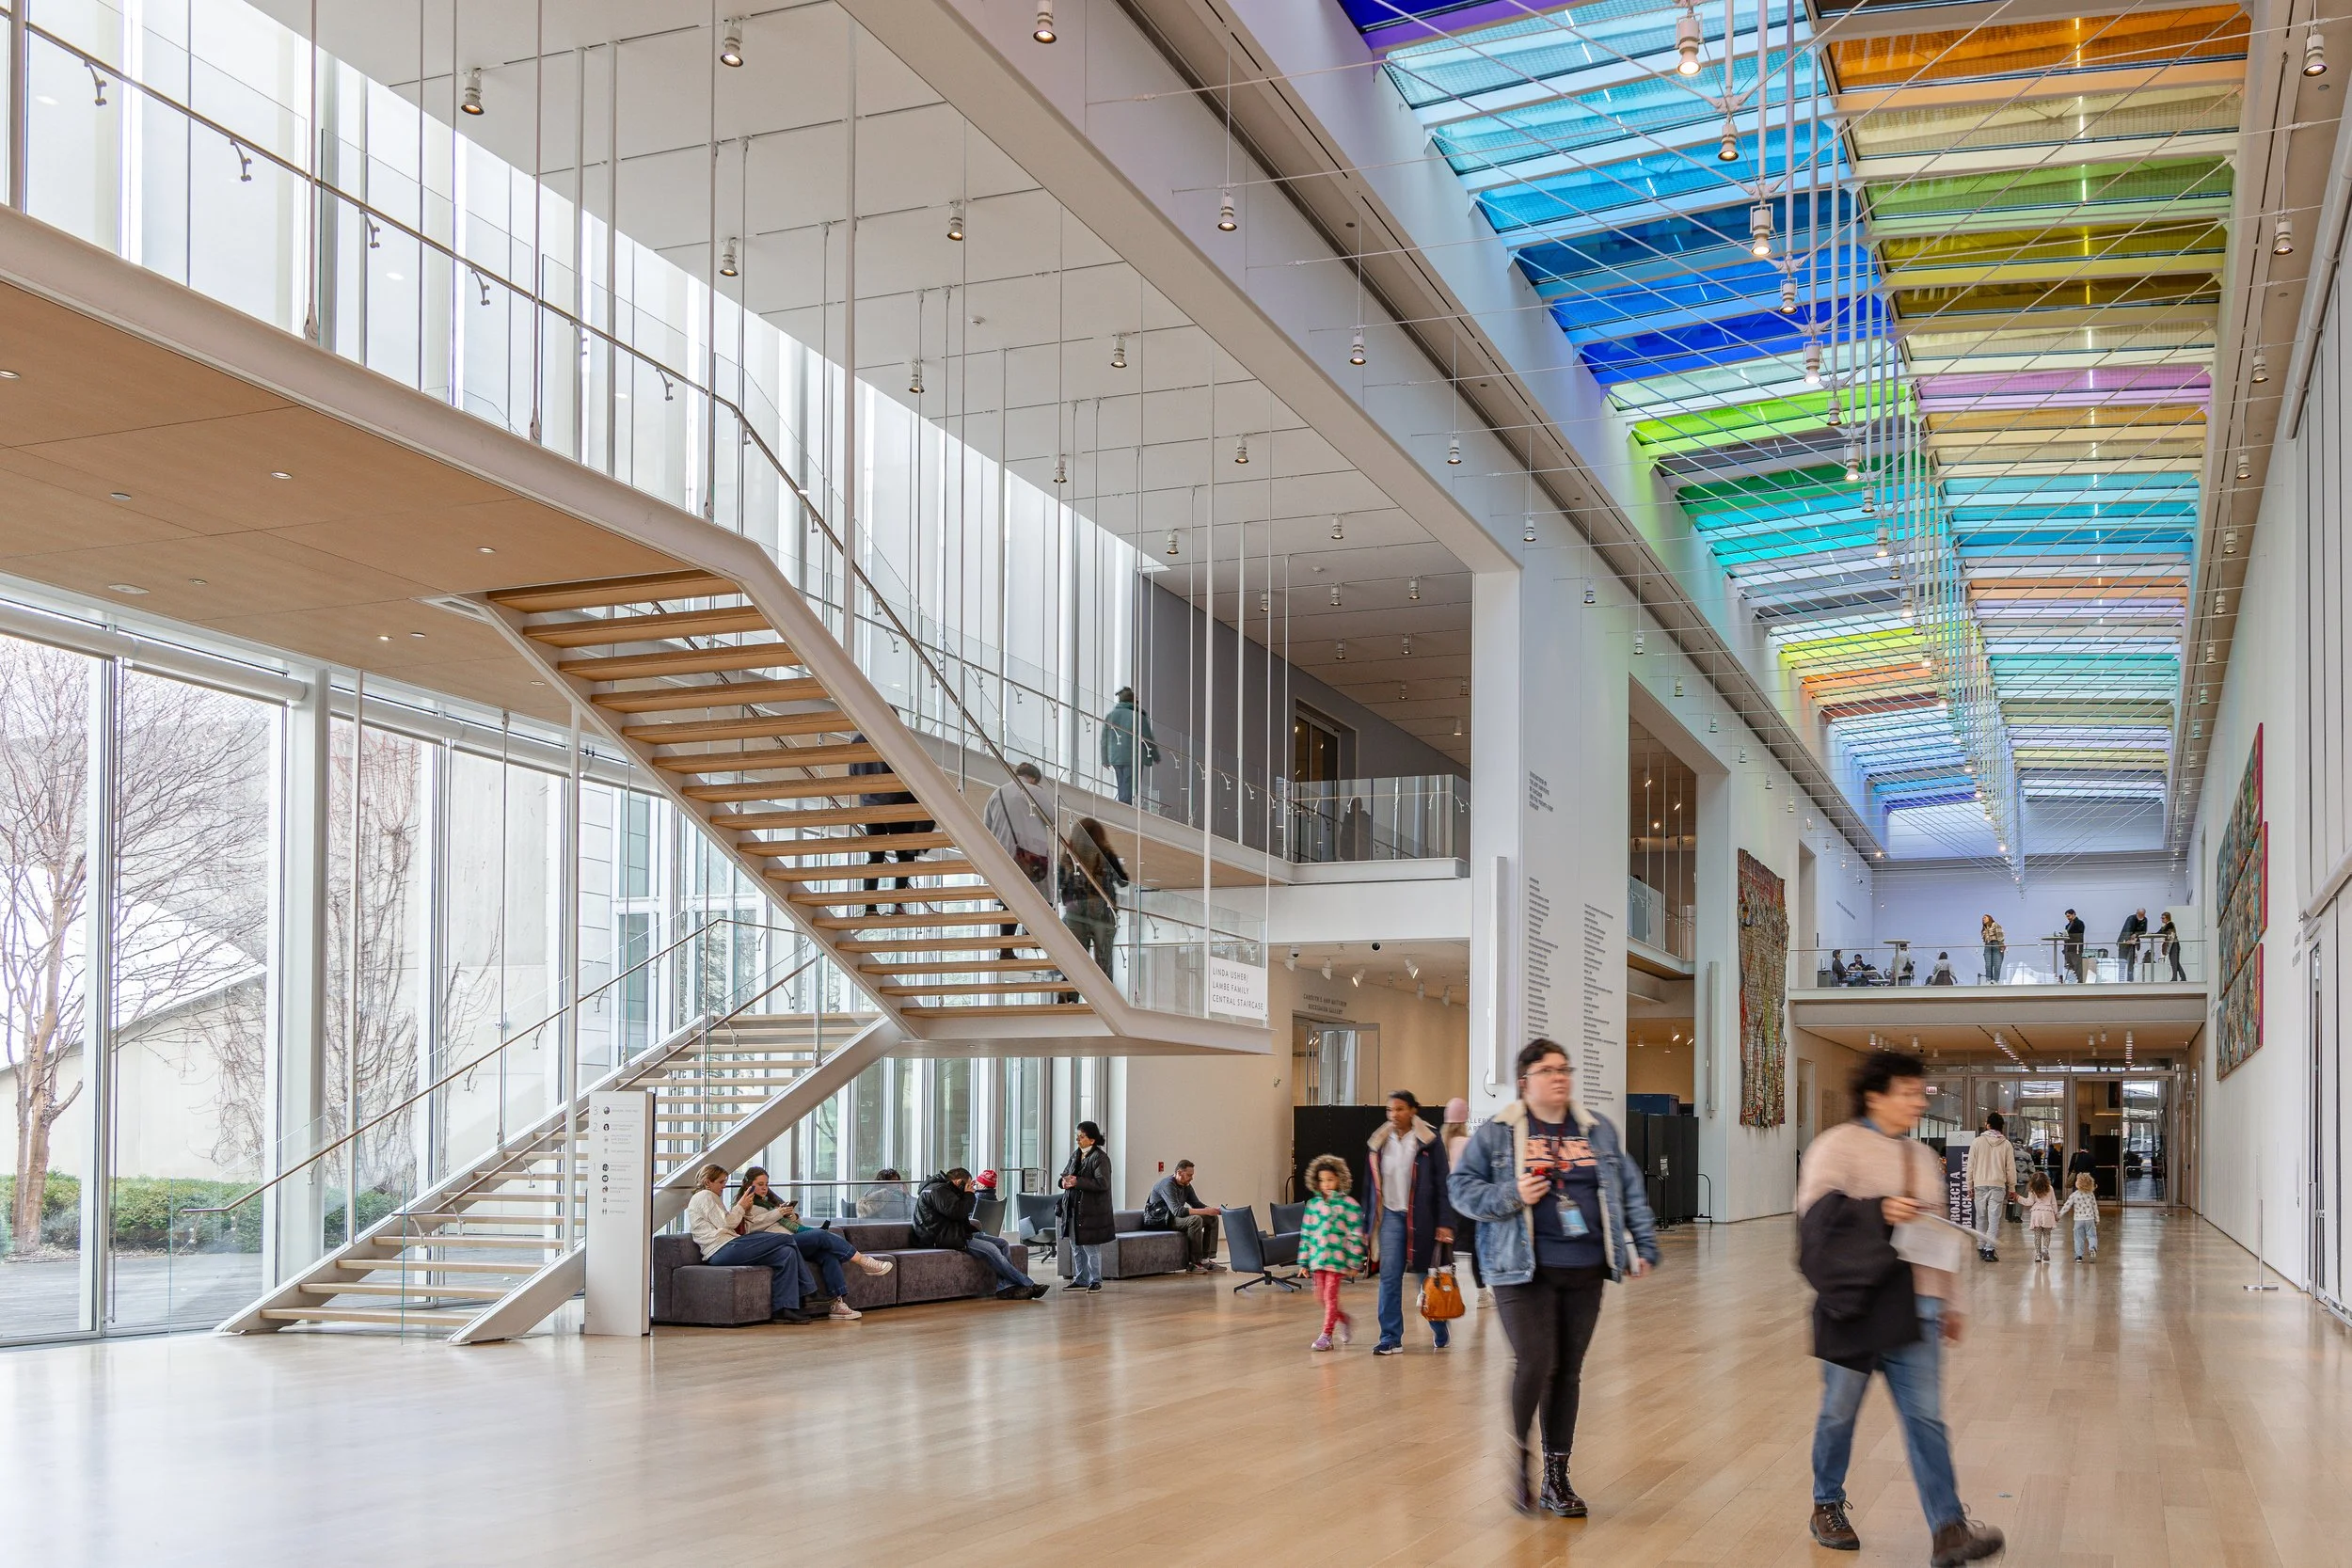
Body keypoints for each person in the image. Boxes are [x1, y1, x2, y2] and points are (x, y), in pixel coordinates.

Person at [1796, 1050, 2004, 1564]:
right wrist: (1879, 1211)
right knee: (1839, 1412)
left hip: (1917, 1309)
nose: (1918, 1101)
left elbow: (1935, 1235)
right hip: (1857, 1307)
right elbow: (1815, 1227)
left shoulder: (1918, 1157)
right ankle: (1827, 1503)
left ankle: (1949, 1528)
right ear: (1875, 1095)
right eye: (1908, 1092)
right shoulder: (1835, 1147)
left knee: (1926, 1418)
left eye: (1919, 1092)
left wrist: (1948, 1301)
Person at [1449, 1038, 1661, 1519]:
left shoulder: (1597, 1130)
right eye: (1548, 1070)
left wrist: (1643, 1245)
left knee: (1567, 1370)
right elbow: (1461, 1190)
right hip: (1522, 1271)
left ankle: (1556, 1476)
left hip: (1585, 1269)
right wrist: (1512, 1192)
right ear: (1525, 1082)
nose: (1560, 1077)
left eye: (1564, 1069)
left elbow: (1628, 1189)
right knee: (1536, 1360)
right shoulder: (1498, 1134)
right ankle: (1519, 1456)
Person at [1366, 1089, 1457, 1354]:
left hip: (1423, 1217)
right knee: (1389, 1277)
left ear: (1413, 1110)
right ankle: (1390, 1337)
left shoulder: (1429, 1140)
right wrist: (1368, 1222)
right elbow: (1369, 1186)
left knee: (1425, 1278)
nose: (1394, 1115)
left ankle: (1440, 1327)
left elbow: (1443, 1184)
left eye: (1400, 1109)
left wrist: (1445, 1223)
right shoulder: (1379, 1142)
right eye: (1390, 1110)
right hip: (1392, 1216)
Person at [738, 1167, 895, 1321]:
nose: (764, 1188)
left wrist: (792, 1216)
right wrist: (778, 1213)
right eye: (760, 1184)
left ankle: (837, 1303)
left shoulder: (770, 1203)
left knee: (828, 1255)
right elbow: (751, 1227)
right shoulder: (745, 1205)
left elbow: (793, 1225)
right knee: (821, 1235)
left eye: (766, 1184)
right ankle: (864, 1261)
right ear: (748, 1185)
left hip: (792, 1240)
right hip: (777, 1244)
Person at [684, 1163, 813, 1323]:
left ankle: (783, 1308)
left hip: (730, 1246)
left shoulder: (711, 1198)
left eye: (725, 1181)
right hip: (722, 1248)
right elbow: (727, 1223)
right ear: (707, 1182)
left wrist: (746, 1208)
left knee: (786, 1253)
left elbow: (733, 1222)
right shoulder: (705, 1196)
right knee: (787, 1239)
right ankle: (810, 1290)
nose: (724, 1186)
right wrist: (740, 1206)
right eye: (721, 1182)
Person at [913, 1167, 1049, 1300]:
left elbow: (957, 1214)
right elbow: (958, 1212)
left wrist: (966, 1195)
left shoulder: (943, 1189)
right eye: (969, 1184)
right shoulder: (938, 1190)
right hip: (941, 1238)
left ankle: (1004, 1288)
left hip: (953, 1233)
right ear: (958, 1182)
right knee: (993, 1250)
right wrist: (969, 1194)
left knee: (1002, 1244)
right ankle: (1028, 1284)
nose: (972, 1187)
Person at [850, 738, 934, 913]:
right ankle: (898, 904)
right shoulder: (893, 739)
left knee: (875, 858)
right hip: (897, 806)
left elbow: (853, 776)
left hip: (870, 807)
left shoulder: (857, 742)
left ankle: (870, 907)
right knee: (904, 855)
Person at [984, 761, 1054, 959]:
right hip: (1032, 852)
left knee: (1010, 900)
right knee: (1040, 895)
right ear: (1033, 778)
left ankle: (1006, 949)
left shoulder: (996, 793)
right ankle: (1033, 935)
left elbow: (986, 826)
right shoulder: (1034, 791)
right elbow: (1052, 818)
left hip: (1003, 855)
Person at [1300, 1153, 1367, 1352]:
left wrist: (1355, 1262)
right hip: (1317, 1260)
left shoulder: (1349, 1205)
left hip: (1338, 1261)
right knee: (1320, 1298)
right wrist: (1304, 1262)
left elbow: (1356, 1236)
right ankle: (1344, 1319)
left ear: (1339, 1179)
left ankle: (1326, 1336)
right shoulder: (1313, 1206)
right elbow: (1306, 1234)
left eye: (1330, 1180)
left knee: (1330, 1297)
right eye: (1322, 1180)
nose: (1326, 1184)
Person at [1060, 817, 1129, 981]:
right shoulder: (1106, 854)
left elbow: (1061, 884)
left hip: (1076, 914)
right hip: (1103, 915)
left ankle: (1068, 1001)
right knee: (1104, 964)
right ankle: (1104, 1004)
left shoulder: (1069, 856)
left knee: (1075, 962)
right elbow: (1123, 881)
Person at [1057, 1120, 1115, 1290]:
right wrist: (1063, 1183)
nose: (1078, 1140)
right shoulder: (1076, 1154)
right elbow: (1065, 1176)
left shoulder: (1100, 1158)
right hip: (1074, 1207)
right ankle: (1081, 1277)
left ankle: (1095, 1280)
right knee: (1075, 1245)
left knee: (1091, 1247)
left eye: (1081, 1137)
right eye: (1077, 1136)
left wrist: (1078, 1182)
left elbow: (1102, 1183)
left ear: (1092, 1140)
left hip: (1091, 1210)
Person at [1142, 1160, 1222, 1272]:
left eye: (1192, 1175)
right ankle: (1193, 1262)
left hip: (1173, 1218)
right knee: (1195, 1220)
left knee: (1212, 1218)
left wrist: (1213, 1210)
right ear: (1179, 1173)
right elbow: (1177, 1211)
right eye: (1189, 1175)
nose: (1192, 1178)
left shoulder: (1186, 1185)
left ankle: (1206, 1259)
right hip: (1162, 1220)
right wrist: (1205, 1211)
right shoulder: (1167, 1184)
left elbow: (1196, 1204)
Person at [1441, 1097, 1485, 1297]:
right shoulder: (1469, 1143)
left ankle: (1436, 1291)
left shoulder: (1439, 1145)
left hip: (1445, 1203)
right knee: (1476, 1247)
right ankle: (1482, 1292)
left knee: (1442, 1250)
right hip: (1467, 1203)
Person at [1965, 1113, 2017, 1262]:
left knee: (1980, 1217)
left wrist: (1970, 1185)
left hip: (1980, 1184)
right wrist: (2012, 1187)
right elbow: (2010, 1168)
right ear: (2001, 1126)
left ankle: (1981, 1247)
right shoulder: (2006, 1144)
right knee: (1994, 1220)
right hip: (1998, 1185)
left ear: (1988, 1125)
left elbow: (1970, 1167)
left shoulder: (1977, 1142)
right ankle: (1989, 1250)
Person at [1100, 686, 1157, 805]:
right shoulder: (1137, 716)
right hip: (1132, 756)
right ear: (1132, 701)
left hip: (1115, 756)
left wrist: (1105, 758)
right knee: (1129, 784)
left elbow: (1105, 739)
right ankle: (1125, 808)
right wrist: (1153, 756)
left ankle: (1123, 805)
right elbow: (1147, 738)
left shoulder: (1111, 715)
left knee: (1122, 783)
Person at [2060, 1173, 2101, 1261]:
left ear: (2078, 1184)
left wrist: (2059, 1215)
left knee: (2078, 1238)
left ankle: (2079, 1256)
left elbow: (2067, 1206)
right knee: (2092, 1236)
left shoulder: (2074, 1195)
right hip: (2090, 1219)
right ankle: (2092, 1248)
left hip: (2078, 1220)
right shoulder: (2091, 1194)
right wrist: (2097, 1219)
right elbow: (2095, 1207)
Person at [2023, 1173, 2058, 1263]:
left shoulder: (2032, 1190)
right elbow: (2053, 1203)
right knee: (2047, 1234)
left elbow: (2029, 1202)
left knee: (2037, 1235)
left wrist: (2018, 1198)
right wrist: (2056, 1214)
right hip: (2048, 1213)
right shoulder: (2050, 1188)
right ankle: (2045, 1248)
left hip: (2036, 1214)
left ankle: (2038, 1254)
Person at [2118, 908, 2148, 980]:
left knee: (2131, 961)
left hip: (2133, 942)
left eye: (2143, 915)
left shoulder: (2144, 920)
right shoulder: (2131, 918)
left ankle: (2130, 977)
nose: (2141, 916)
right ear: (2137, 913)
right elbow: (2127, 930)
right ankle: (2121, 977)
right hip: (2124, 941)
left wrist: (2135, 934)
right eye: (2140, 914)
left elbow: (2143, 931)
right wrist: (2129, 939)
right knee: (2122, 960)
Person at [2158, 911, 2185, 981]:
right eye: (2161, 918)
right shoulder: (2167, 925)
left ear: (2167, 918)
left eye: (2163, 918)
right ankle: (2181, 977)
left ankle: (2176, 977)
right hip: (2173, 945)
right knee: (2174, 962)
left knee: (2174, 962)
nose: (2162, 919)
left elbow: (2162, 931)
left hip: (2174, 945)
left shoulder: (2170, 924)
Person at [2062, 909, 2087, 983]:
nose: (2068, 918)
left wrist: (2069, 936)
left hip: (2076, 948)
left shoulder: (2079, 923)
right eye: (2067, 916)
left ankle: (2080, 980)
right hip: (2069, 948)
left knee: (2077, 965)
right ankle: (2072, 980)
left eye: (2069, 916)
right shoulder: (2068, 925)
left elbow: (2079, 935)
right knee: (2070, 965)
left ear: (2073, 914)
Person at [1980, 915, 2005, 984]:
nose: (1983, 919)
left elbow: (2000, 935)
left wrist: (2001, 945)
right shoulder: (1984, 929)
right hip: (1988, 945)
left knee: (1997, 964)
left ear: (1989, 918)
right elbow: (1984, 939)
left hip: (1996, 944)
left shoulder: (1995, 925)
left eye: (1985, 918)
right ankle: (1988, 980)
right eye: (1982, 918)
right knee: (1988, 964)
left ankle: (1996, 980)